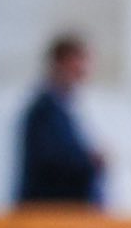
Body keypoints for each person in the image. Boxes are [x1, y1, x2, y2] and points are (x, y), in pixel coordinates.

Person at [15, 33, 104, 205]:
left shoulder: (63, 108)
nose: (83, 69)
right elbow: (52, 163)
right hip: (48, 210)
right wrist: (88, 161)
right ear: (61, 63)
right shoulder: (44, 110)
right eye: (77, 62)